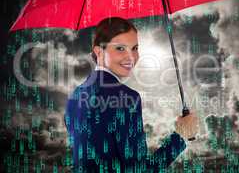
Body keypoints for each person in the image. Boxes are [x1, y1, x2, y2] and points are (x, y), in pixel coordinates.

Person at [64, 17, 199, 173]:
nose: (131, 57)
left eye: (134, 48)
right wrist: (181, 136)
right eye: (120, 48)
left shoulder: (74, 97)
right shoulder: (126, 98)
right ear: (99, 51)